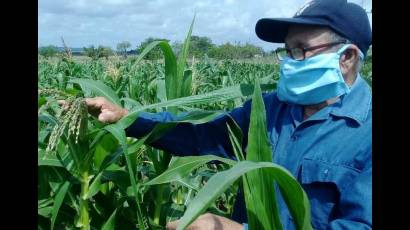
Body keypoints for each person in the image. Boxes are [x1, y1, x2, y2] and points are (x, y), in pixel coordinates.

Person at [85, 0, 372, 229]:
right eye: (286, 51)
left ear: (346, 57)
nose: (288, 62)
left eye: (300, 51)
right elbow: (199, 134)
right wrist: (128, 118)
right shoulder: (268, 109)